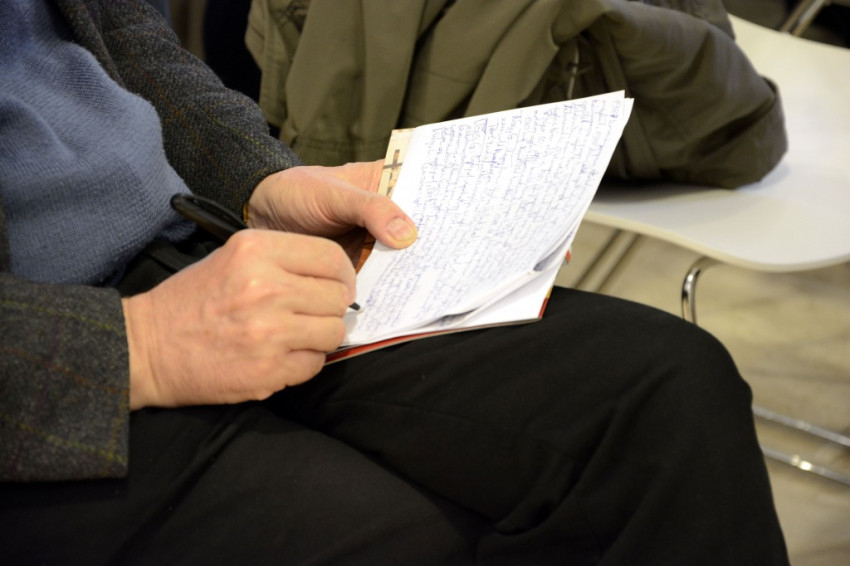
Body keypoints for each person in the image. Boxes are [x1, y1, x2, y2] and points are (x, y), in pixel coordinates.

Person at [0, 1, 790, 564]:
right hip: (56, 359)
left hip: (187, 243)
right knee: (407, 533)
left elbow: (126, 44)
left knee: (665, 388)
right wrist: (142, 346)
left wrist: (258, 181)